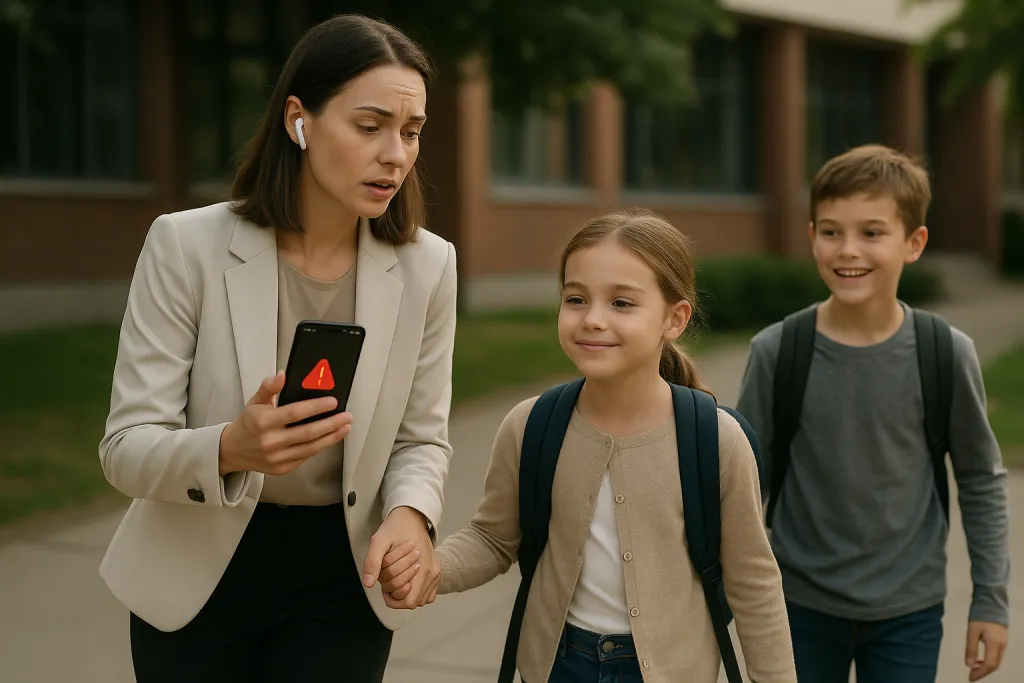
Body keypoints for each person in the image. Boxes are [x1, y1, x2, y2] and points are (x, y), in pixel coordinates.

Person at [97, 14, 455, 682]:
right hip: (193, 574)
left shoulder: (429, 266)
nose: (396, 155)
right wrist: (230, 447)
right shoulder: (185, 246)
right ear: (299, 119)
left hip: (342, 580)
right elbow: (125, 448)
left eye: (410, 132)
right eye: (370, 125)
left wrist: (410, 516)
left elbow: (421, 438)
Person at [382, 209, 797, 683]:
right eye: (576, 299)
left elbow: (755, 586)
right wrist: (430, 567)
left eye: (622, 303)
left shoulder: (717, 441)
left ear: (675, 319)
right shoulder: (531, 425)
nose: (593, 320)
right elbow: (494, 538)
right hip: (556, 666)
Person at [736, 144, 1010, 683]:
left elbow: (981, 480)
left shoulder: (945, 353)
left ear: (914, 243)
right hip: (796, 608)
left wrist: (992, 603)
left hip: (908, 612)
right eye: (831, 231)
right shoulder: (778, 351)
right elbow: (740, 485)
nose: (848, 250)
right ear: (812, 235)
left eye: (872, 232)